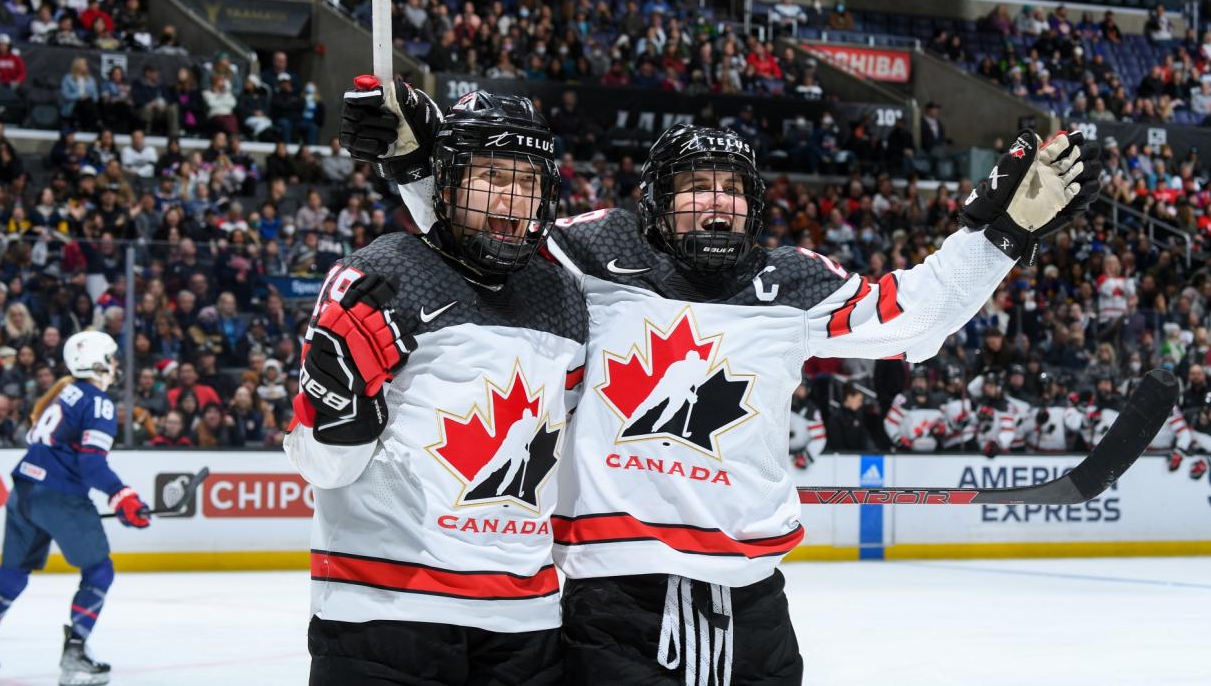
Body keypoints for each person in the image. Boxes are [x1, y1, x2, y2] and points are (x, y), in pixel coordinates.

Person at [369, 85, 1100, 680]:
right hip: (616, 603)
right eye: (695, 186)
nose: (716, 201)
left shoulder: (789, 283)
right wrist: (415, 167)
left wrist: (1000, 233)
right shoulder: (597, 253)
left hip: (754, 610)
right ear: (656, 198)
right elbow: (489, 242)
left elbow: (913, 318)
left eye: (731, 187)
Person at [289, 76, 587, 684]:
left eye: (527, 182)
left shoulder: (564, 296)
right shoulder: (383, 275)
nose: (511, 200)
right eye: (493, 177)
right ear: (446, 183)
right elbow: (323, 469)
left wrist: (409, 150)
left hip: (524, 625)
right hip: (384, 613)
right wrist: (341, 414)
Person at [0, 331, 152, 685]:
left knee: (12, 572)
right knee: (99, 570)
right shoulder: (98, 401)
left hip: (23, 491)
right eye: (112, 357)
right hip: (60, 495)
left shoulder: (61, 395)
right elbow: (91, 465)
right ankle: (76, 654)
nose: (115, 365)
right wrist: (122, 495)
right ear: (97, 360)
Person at [884, 366, 947, 451]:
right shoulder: (903, 399)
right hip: (907, 451)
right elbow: (889, 422)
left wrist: (942, 429)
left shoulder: (937, 400)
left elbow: (945, 422)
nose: (918, 384)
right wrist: (899, 440)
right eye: (915, 381)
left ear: (927, 382)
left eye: (921, 381)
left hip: (933, 453)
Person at [787, 381, 824, 471]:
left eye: (801, 388)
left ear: (807, 390)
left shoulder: (811, 409)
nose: (797, 391)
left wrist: (805, 457)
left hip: (798, 458)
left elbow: (819, 439)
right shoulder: (781, 404)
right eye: (795, 387)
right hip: (779, 456)